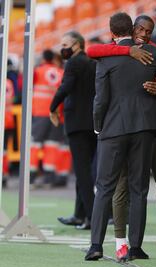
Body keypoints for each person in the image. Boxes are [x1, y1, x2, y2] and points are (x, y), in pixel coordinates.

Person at [87, 14, 156, 260]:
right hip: (144, 129)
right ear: (132, 29)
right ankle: (135, 247)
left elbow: (100, 99)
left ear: (111, 33)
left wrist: (98, 126)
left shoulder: (106, 58)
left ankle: (96, 246)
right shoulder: (150, 53)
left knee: (105, 189)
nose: (144, 34)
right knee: (139, 189)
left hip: (113, 129)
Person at [50, 31, 97, 230]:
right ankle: (80, 215)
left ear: (77, 45)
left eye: (66, 44)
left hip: (77, 123)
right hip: (92, 123)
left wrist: (52, 107)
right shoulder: (93, 63)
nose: (63, 48)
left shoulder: (73, 63)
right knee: (85, 170)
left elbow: (65, 87)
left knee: (82, 171)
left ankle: (93, 217)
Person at [30, 49, 71, 188]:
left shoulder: (38, 71)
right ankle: (49, 177)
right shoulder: (60, 72)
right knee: (52, 145)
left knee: (35, 145)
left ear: (43, 58)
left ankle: (31, 176)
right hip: (56, 114)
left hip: (40, 112)